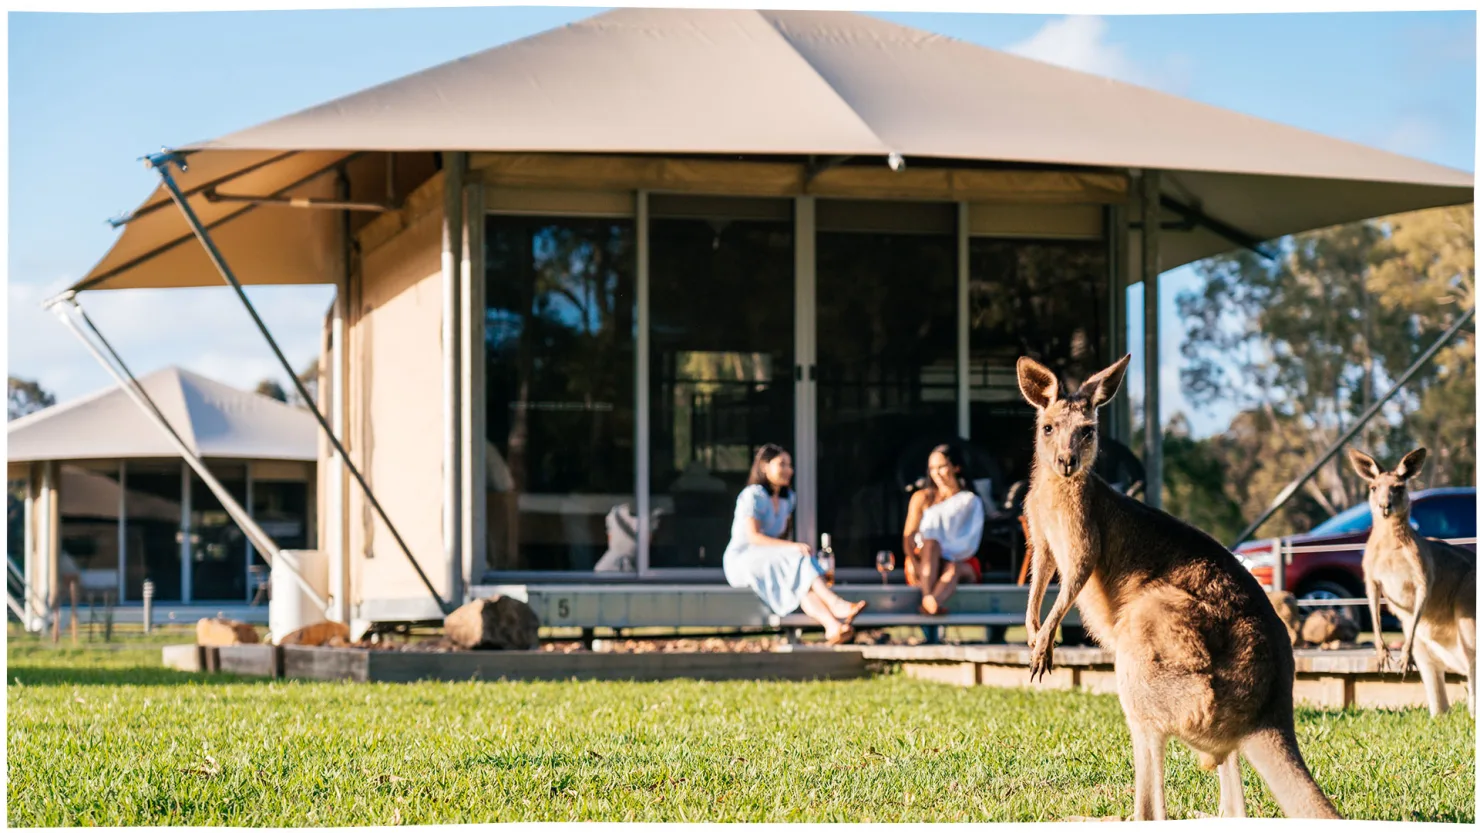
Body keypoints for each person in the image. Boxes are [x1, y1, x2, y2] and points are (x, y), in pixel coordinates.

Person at [723, 444, 867, 644]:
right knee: (799, 558)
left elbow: (782, 538)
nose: (789, 470)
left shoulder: (787, 499)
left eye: (790, 465)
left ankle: (832, 626)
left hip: (771, 560)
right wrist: (791, 548)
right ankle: (834, 603)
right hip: (744, 560)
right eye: (782, 464)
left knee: (802, 586)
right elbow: (754, 537)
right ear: (764, 466)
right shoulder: (752, 496)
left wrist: (790, 548)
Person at [903, 443, 986, 615]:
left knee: (953, 568)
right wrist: (915, 563)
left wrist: (949, 556)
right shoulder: (921, 497)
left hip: (959, 560)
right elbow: (908, 537)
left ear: (956, 467)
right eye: (932, 468)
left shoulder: (970, 501)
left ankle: (929, 603)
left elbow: (970, 540)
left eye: (942, 467)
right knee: (931, 544)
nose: (937, 474)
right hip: (926, 559)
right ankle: (930, 599)